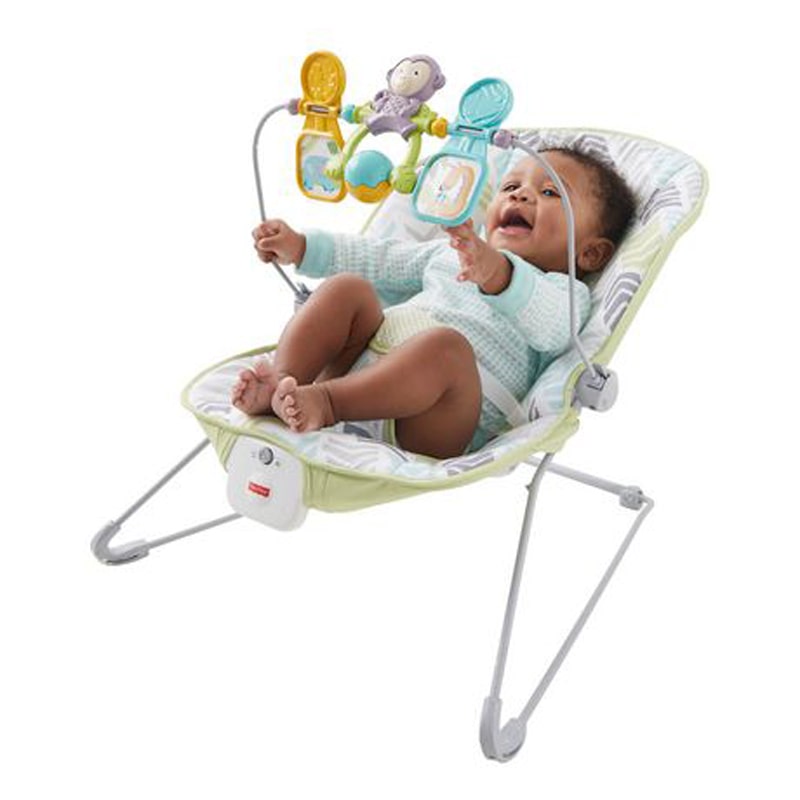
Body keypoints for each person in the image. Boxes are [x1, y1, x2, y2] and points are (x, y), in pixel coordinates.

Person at [231, 148, 636, 459]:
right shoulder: (449, 253)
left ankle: (326, 402)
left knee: (446, 348)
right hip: (361, 369)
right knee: (348, 289)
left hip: (433, 419)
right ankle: (282, 386)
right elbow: (380, 258)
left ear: (591, 254)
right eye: (510, 186)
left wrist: (497, 273)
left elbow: (553, 328)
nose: (521, 194)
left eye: (550, 192)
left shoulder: (566, 293)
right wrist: (303, 247)